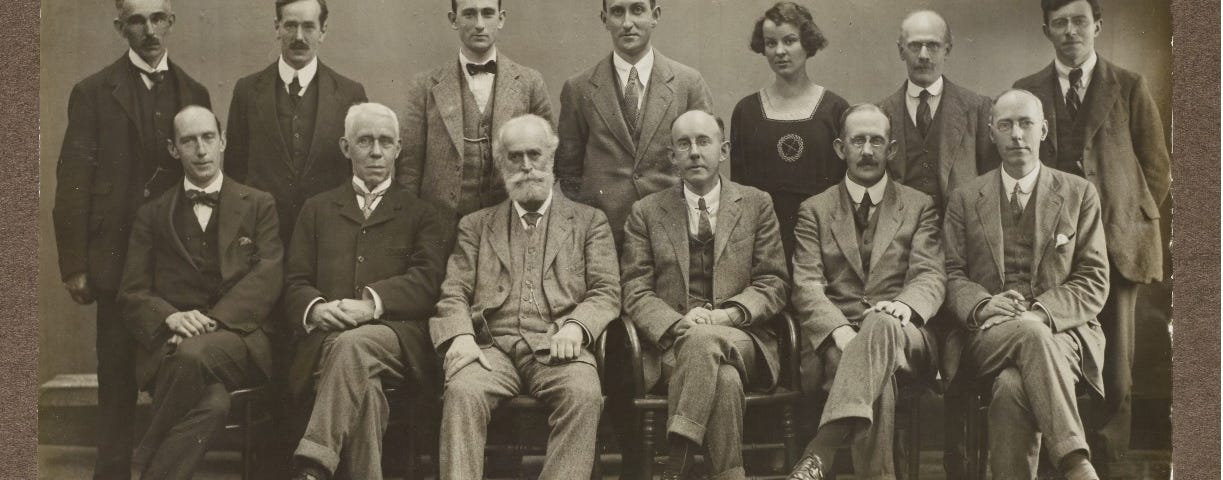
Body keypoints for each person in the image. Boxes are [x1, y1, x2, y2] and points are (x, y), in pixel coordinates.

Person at [51, 1, 211, 477]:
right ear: (120, 27)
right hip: (117, 259)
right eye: (137, 21)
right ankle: (114, 470)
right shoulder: (94, 91)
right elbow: (73, 180)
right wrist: (75, 264)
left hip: (177, 260)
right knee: (117, 374)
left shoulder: (194, 91)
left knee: (180, 367)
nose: (149, 31)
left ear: (171, 23)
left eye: (158, 18)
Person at [1013, 2, 1171, 475]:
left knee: (1116, 371)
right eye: (1059, 23)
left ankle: (1109, 465)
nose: (1070, 31)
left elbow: (1157, 169)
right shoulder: (1027, 91)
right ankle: (1059, 460)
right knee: (1052, 355)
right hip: (1048, 253)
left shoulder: (1129, 85)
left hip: (1117, 246)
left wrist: (1123, 221)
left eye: (1079, 21)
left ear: (1097, 27)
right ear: (1046, 31)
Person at [431, 114, 619, 480]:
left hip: (559, 345)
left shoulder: (588, 221)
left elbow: (606, 290)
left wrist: (577, 328)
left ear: (551, 157)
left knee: (583, 392)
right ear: (501, 163)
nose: (527, 166)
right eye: (515, 157)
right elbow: (453, 291)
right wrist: (461, 336)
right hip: (491, 349)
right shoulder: (476, 225)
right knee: (462, 390)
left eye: (535, 154)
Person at [283, 103, 455, 480]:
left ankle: (312, 464)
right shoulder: (317, 209)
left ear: (398, 149)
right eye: (365, 141)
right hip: (327, 339)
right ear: (346, 148)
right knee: (367, 393)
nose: (376, 152)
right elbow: (294, 281)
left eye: (385, 142)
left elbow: (428, 282)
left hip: (398, 340)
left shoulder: (421, 213)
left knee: (354, 345)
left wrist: (369, 305)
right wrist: (315, 310)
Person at [943, 90, 1108, 480]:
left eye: (1026, 124)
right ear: (991, 134)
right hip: (987, 333)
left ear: (1043, 130)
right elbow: (950, 273)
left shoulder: (1078, 193)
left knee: (1011, 387)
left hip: (1061, 333)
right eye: (1006, 125)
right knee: (1028, 340)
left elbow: (1094, 279)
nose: (1016, 135)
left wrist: (1040, 313)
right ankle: (1075, 463)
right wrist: (982, 305)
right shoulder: (965, 199)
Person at [621, 110, 790, 480]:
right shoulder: (646, 212)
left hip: (742, 337)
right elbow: (635, 289)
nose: (695, 152)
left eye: (704, 142)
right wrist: (679, 324)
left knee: (706, 343)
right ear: (672, 157)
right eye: (684, 144)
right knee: (724, 381)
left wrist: (726, 316)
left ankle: (677, 460)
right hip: (672, 344)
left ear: (724, 150)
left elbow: (773, 282)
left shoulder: (756, 204)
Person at [118, 106, 281, 480]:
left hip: (237, 338)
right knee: (213, 406)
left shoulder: (258, 204)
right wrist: (170, 317)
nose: (201, 150)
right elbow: (132, 291)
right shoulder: (152, 213)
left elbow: (267, 278)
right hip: (171, 341)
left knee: (191, 355)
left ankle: (141, 457)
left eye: (208, 138)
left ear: (222, 141)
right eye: (189, 141)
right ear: (174, 150)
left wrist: (209, 323)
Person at [785, 104, 945, 480]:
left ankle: (820, 450)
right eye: (858, 141)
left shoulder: (919, 206)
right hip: (837, 343)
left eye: (877, 141)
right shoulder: (815, 210)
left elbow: (931, 274)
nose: (868, 151)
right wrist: (839, 330)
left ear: (891, 149)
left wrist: (905, 306)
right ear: (841, 148)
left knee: (882, 323)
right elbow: (805, 284)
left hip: (905, 336)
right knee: (879, 382)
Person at [555, 0, 714, 244]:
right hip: (603, 235)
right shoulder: (579, 88)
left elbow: (704, 162)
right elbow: (568, 172)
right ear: (604, 19)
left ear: (655, 15)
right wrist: (590, 226)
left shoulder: (688, 83)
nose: (627, 23)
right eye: (618, 12)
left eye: (637, 10)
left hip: (672, 231)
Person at [225, 0, 368, 244]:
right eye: (290, 26)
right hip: (262, 239)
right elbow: (234, 171)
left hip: (328, 238)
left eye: (309, 27)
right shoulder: (247, 91)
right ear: (276, 27)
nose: (299, 37)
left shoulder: (349, 94)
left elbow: (360, 175)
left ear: (323, 31)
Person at [397, 0, 554, 218]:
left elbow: (548, 159)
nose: (479, 24)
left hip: (508, 222)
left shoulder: (530, 82)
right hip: (440, 226)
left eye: (488, 13)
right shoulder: (424, 86)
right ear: (454, 20)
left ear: (501, 19)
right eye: (469, 14)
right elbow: (409, 169)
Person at [730, 1, 849, 262]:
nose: (780, 51)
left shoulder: (835, 109)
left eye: (790, 40)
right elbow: (737, 195)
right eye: (771, 43)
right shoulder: (746, 111)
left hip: (823, 244)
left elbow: (845, 192)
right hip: (762, 245)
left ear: (807, 43)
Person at [878, 10, 997, 211]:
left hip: (960, 229)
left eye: (933, 45)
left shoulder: (978, 108)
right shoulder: (880, 113)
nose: (924, 55)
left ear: (947, 50)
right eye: (915, 46)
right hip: (900, 233)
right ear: (901, 51)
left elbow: (992, 182)